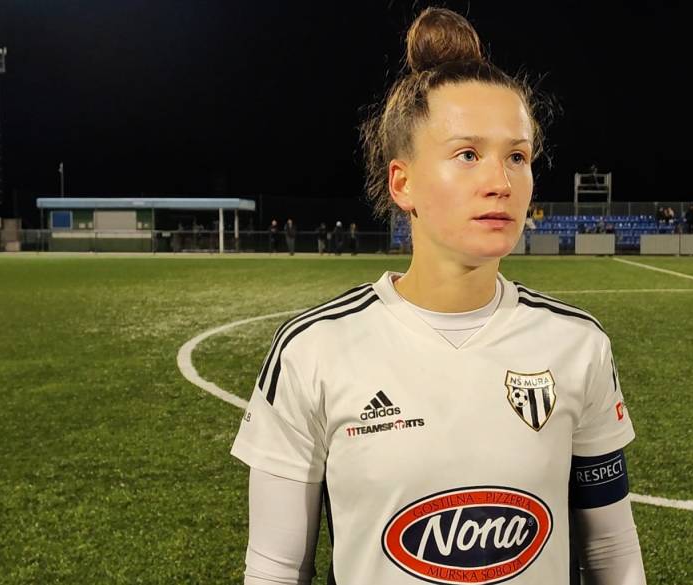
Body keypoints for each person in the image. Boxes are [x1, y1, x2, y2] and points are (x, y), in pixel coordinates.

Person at [230, 8, 645, 585]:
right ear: (403, 183)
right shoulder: (313, 350)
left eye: (517, 156)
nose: (500, 182)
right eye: (467, 154)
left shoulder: (577, 344)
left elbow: (612, 556)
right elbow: (275, 571)